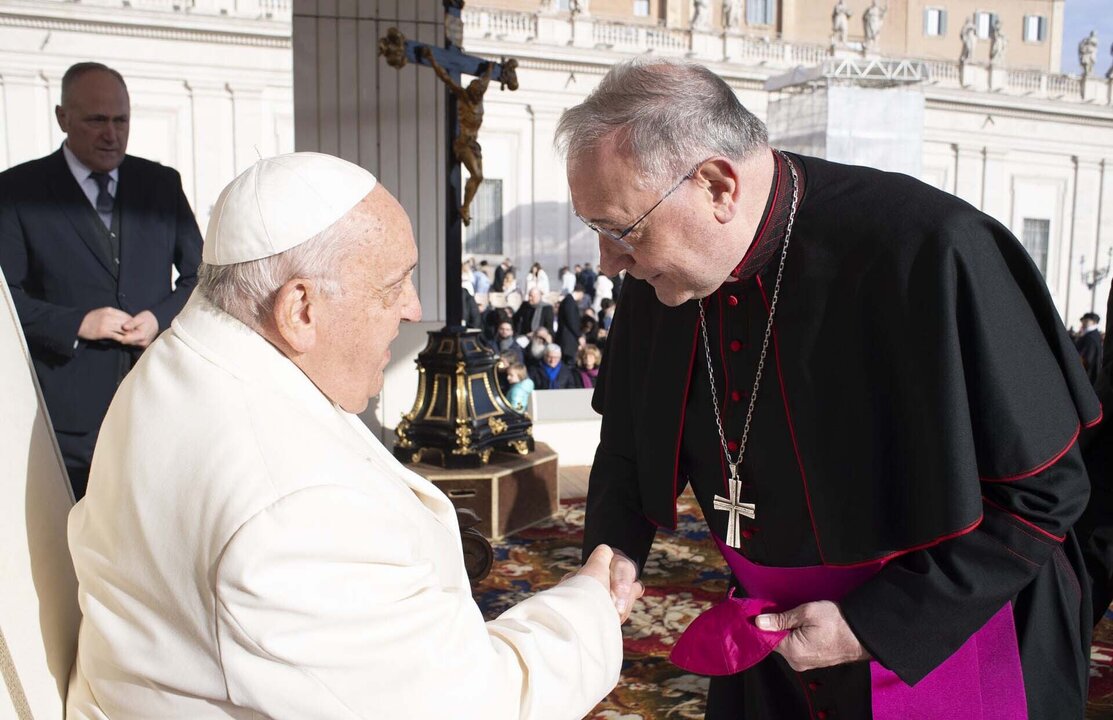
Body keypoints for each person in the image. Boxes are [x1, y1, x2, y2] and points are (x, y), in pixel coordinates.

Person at [558, 59, 1099, 719]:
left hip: (940, 630)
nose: (608, 263)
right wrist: (612, 553)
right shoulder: (664, 274)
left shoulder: (928, 250)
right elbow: (628, 442)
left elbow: (1045, 492)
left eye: (621, 231)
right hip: (768, 651)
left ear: (715, 185)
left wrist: (875, 624)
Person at [66, 152, 637, 718]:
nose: (414, 308)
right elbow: (471, 707)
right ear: (300, 309)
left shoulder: (179, 363)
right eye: (394, 285)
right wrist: (588, 608)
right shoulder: (297, 511)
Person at [0, 61, 202, 499]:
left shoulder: (162, 185)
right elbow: (5, 299)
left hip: (158, 402)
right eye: (96, 121)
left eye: (121, 120)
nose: (111, 134)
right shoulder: (16, 191)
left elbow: (200, 277)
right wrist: (77, 323)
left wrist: (159, 319)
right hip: (66, 417)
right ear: (62, 118)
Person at [556, 284, 584, 363]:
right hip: (567, 341)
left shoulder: (568, 301)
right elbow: (571, 321)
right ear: (581, 293)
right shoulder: (569, 301)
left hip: (566, 340)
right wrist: (578, 336)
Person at [1075, 312, 1102, 385]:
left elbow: (1087, 359)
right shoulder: (1091, 334)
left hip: (1086, 374)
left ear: (1093, 322)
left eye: (1086, 321)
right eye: (1083, 320)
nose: (1083, 322)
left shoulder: (1091, 337)